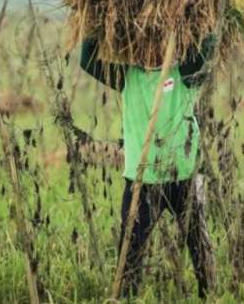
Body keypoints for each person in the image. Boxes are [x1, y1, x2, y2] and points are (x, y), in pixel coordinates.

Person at [80, 35, 216, 299]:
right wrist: (94, 21)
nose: (152, 51)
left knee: (198, 244)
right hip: (141, 179)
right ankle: (128, 297)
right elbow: (87, 60)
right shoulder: (127, 77)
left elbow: (208, 47)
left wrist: (204, 12)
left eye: (159, 42)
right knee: (131, 250)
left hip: (183, 175)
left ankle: (208, 295)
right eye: (146, 44)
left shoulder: (185, 74)